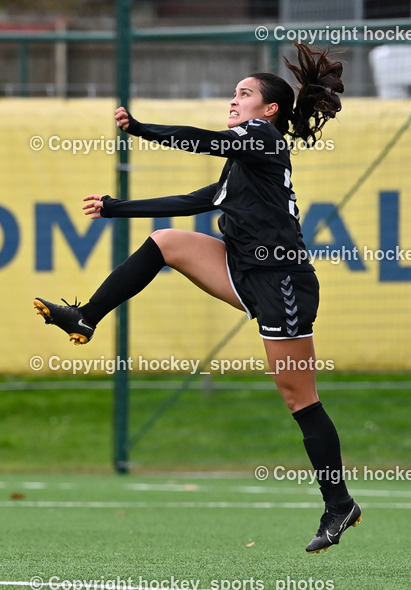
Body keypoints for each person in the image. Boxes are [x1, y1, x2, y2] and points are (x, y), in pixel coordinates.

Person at [33, 42, 360, 555]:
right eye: (235, 93)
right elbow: (193, 201)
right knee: (166, 242)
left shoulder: (261, 138)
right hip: (244, 269)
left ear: (269, 110)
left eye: (245, 94)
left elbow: (202, 141)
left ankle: (338, 504)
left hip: (282, 282)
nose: (234, 100)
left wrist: (141, 130)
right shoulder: (245, 158)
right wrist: (117, 208)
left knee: (300, 398)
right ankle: (86, 317)